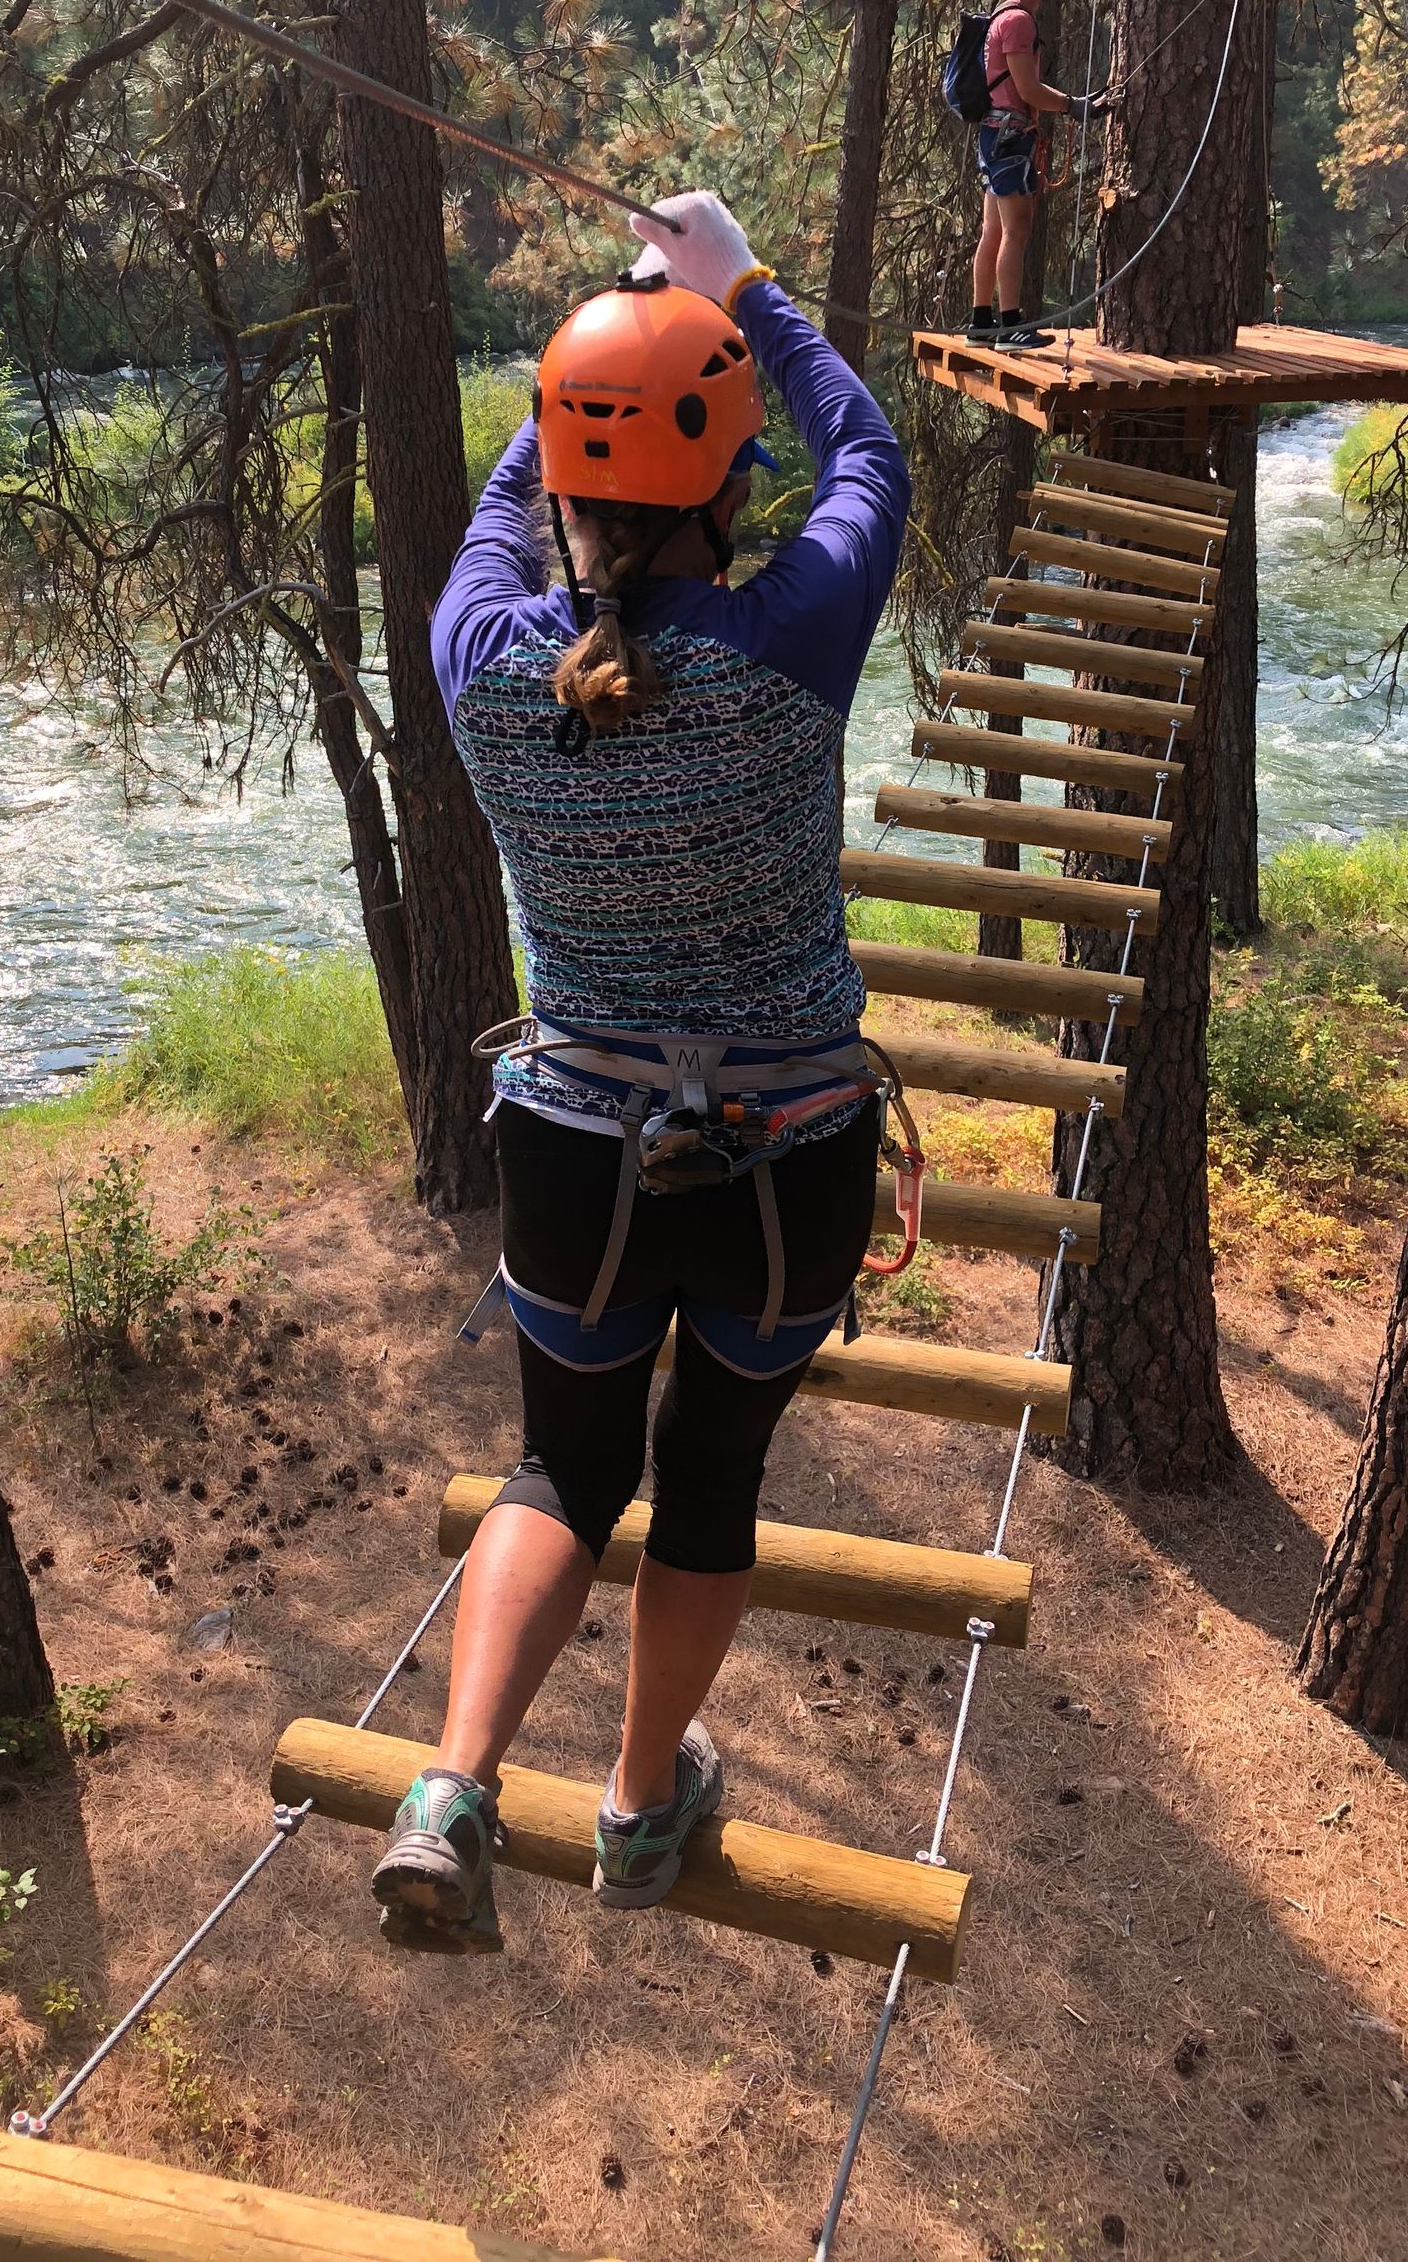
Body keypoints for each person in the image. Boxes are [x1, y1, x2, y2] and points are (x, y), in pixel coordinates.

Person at [373, 191, 910, 1955]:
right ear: (724, 488)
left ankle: (450, 1789)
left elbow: (501, 508)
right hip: (788, 1167)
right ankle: (635, 1800)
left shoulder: (479, 665)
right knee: (713, 1477)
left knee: (559, 1470)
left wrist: (576, 383)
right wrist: (736, 283)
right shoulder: (790, 652)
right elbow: (869, 453)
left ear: (561, 470)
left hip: (579, 1161)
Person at [966, 0, 1078, 348]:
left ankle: (981, 322)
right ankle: (1009, 324)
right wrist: (1074, 106)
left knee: (993, 229)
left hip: (997, 135)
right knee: (1016, 228)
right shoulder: (1017, 21)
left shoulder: (1007, 16)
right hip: (1010, 137)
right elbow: (1028, 90)